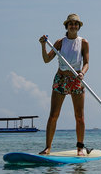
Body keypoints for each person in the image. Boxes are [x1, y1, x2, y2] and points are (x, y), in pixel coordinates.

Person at [38, 13, 90, 156]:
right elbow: (46, 59)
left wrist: (82, 73)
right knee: (53, 115)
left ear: (79, 27)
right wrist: (43, 45)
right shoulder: (60, 42)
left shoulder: (84, 42)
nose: (73, 26)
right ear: (66, 26)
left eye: (76, 24)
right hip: (61, 78)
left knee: (79, 116)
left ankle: (80, 148)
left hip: (76, 79)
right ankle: (48, 147)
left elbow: (86, 63)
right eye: (71, 23)